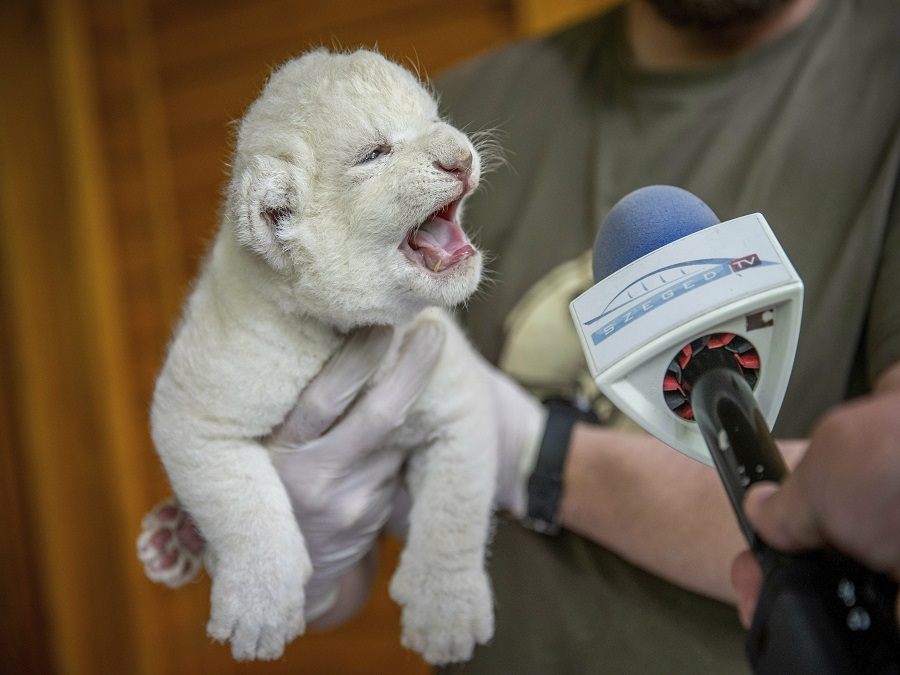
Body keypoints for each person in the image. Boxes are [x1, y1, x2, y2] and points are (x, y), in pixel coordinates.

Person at [142, 0, 900, 671]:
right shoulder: (462, 107)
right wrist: (303, 554)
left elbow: (872, 508)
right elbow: (350, 570)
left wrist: (542, 454)